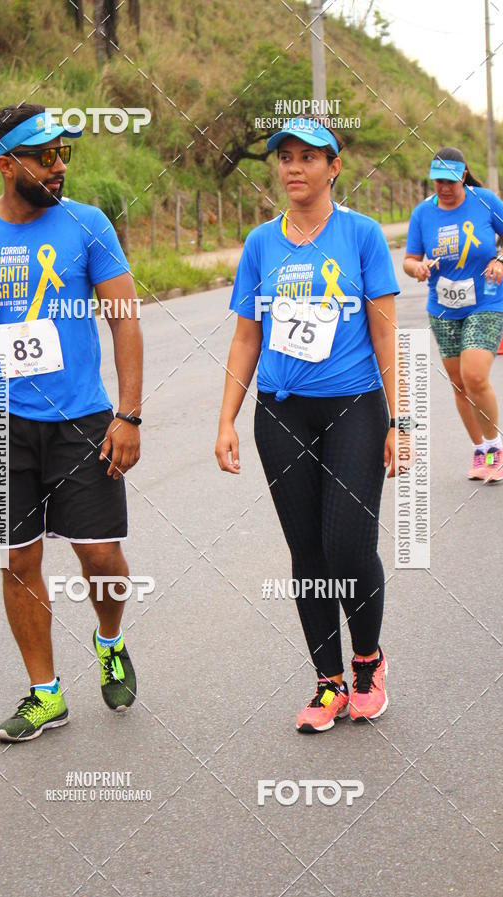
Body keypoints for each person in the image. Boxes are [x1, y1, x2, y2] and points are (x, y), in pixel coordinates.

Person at [0, 104, 143, 742]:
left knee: (100, 554)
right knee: (16, 559)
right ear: (6, 164)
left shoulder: (89, 224)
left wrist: (128, 413)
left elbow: (125, 318)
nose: (57, 167)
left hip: (82, 418)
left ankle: (110, 639)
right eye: (43, 157)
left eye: (62, 155)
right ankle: (44, 693)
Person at [216, 117, 407, 733]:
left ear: (334, 167)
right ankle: (327, 684)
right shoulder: (259, 245)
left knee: (348, 545)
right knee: (308, 553)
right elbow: (247, 336)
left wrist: (399, 420)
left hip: (353, 406)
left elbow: (384, 331)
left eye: (308, 157)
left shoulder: (361, 235)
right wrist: (228, 418)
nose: (294, 167)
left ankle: (368, 664)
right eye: (285, 157)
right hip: (281, 410)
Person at [404, 147, 503, 482]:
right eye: (437, 181)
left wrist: (499, 259)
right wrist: (417, 267)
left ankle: (495, 447)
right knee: (459, 384)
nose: (443, 187)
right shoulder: (422, 214)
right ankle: (479, 450)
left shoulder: (485, 200)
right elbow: (409, 258)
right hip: (443, 307)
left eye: (449, 180)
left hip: (486, 301)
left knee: (475, 375)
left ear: (462, 175)